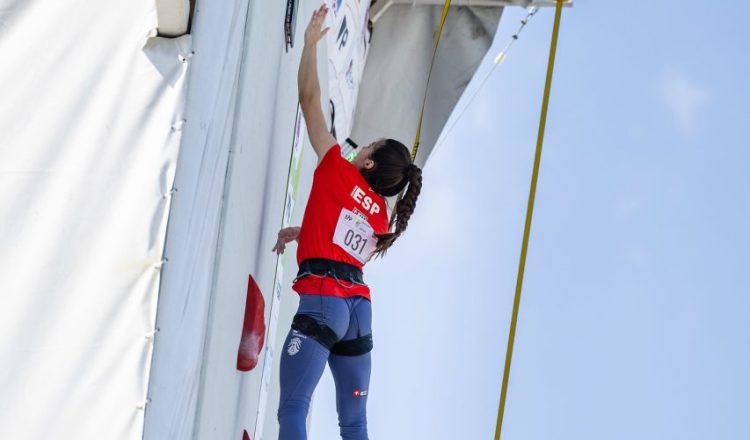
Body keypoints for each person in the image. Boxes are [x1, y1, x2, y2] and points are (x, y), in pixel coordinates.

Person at [272, 4, 423, 440]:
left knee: (293, 410)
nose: (357, 148)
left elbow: (309, 100)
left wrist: (310, 46)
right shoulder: (380, 212)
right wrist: (306, 231)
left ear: (369, 160)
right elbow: (346, 237)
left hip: (325, 302)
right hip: (358, 312)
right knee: (354, 424)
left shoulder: (338, 167)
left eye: (366, 146)